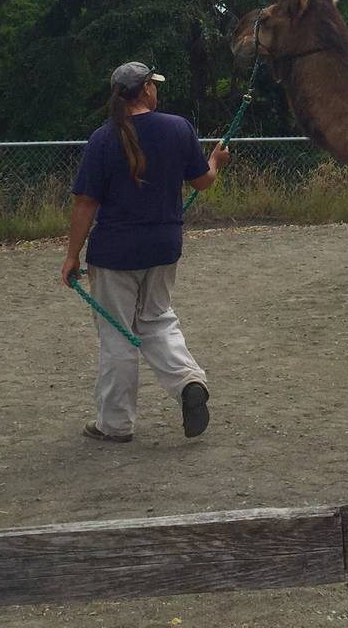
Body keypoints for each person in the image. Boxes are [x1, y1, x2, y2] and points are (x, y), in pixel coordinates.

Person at [62, 62, 229, 443]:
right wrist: (216, 161)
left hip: (115, 252)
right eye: (154, 84)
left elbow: (85, 203)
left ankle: (115, 424)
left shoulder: (103, 139)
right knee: (157, 320)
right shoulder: (178, 128)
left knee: (118, 333)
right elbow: (202, 181)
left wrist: (72, 255)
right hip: (164, 246)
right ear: (146, 91)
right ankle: (188, 380)